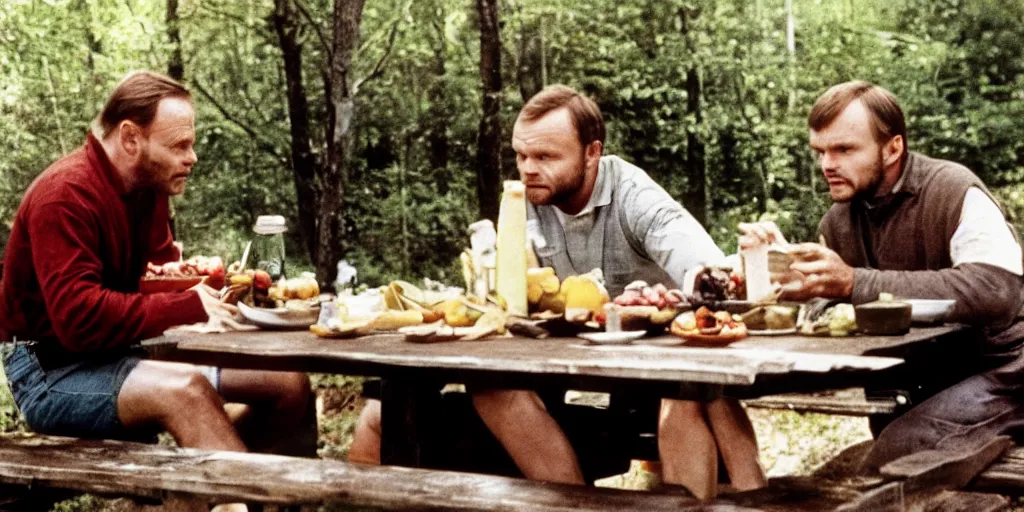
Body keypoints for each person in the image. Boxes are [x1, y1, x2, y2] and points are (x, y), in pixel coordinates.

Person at [351, 85, 766, 499]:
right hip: (560, 360)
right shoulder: (527, 200)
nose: (529, 168)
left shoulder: (634, 196)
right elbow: (508, 295)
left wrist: (695, 284)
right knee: (445, 396)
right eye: (521, 155)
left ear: (592, 153)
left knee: (690, 397)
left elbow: (708, 271)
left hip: (660, 371)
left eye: (546, 156)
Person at [0, 72, 316, 462]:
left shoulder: (147, 190)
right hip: (51, 373)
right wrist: (191, 304)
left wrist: (223, 291)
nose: (192, 157)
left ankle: (204, 492)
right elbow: (78, 318)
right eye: (179, 145)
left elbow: (162, 278)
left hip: (125, 352)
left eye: (192, 144)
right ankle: (228, 494)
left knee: (287, 384)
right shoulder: (64, 196)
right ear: (131, 138)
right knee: (187, 390)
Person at [739, 80, 1024, 469]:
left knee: (898, 454)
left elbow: (997, 290)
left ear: (893, 147)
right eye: (820, 151)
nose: (827, 165)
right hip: (919, 378)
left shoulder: (953, 190)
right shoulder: (840, 219)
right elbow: (836, 305)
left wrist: (855, 282)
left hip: (1002, 371)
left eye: (844, 149)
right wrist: (790, 280)